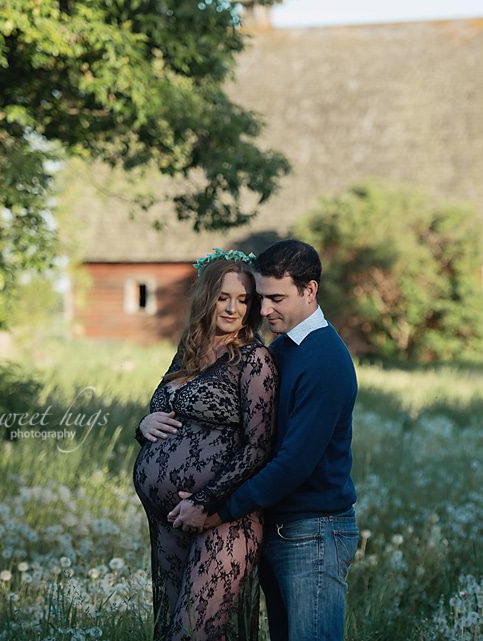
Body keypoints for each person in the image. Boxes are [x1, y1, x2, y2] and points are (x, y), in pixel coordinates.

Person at [168, 239, 360, 641]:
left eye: (277, 298)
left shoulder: (324, 360)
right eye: (262, 298)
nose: (265, 309)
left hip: (313, 531)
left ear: (309, 291)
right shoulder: (284, 347)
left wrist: (217, 511)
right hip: (279, 524)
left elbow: (292, 464)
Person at [133, 251, 278, 641]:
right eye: (223, 297)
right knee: (180, 628)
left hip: (222, 520)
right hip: (170, 521)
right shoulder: (189, 351)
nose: (232, 308)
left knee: (189, 633)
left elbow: (258, 447)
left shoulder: (253, 359)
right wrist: (142, 425)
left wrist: (205, 500)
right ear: (206, 297)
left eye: (243, 300)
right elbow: (160, 411)